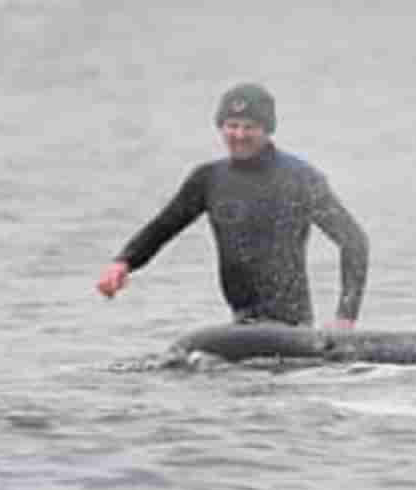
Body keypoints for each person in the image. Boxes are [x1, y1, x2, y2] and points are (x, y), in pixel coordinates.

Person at [95, 83, 370, 328]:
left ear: (267, 129)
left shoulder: (299, 179)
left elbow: (354, 241)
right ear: (221, 127)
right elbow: (163, 227)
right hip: (241, 322)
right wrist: (123, 262)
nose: (239, 134)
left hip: (290, 328)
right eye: (232, 125)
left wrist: (345, 317)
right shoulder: (210, 179)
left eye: (249, 126)